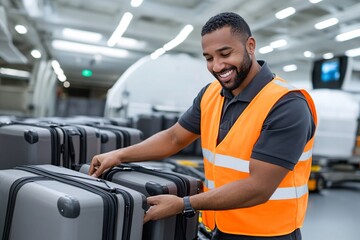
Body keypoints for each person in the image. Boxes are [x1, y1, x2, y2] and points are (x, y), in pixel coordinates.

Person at [89, 12, 317, 240]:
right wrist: (119, 155)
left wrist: (183, 204)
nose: (217, 66)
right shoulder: (210, 95)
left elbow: (259, 187)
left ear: (250, 45)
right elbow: (174, 138)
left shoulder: (287, 104)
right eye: (209, 58)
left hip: (268, 234)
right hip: (220, 227)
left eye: (225, 54)